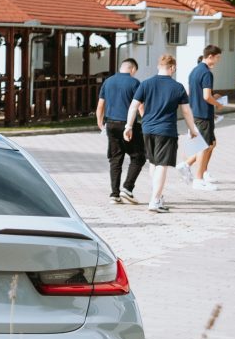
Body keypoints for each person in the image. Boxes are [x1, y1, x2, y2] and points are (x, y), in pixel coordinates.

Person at [124, 55, 201, 214]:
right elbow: (186, 111)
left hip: (147, 130)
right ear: (172, 67)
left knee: (153, 163)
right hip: (166, 131)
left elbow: (133, 107)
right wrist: (192, 130)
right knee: (161, 165)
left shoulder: (145, 84)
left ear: (159, 67)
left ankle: (157, 196)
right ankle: (155, 200)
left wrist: (128, 126)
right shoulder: (178, 87)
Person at [96, 59, 145, 204]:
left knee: (115, 159)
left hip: (110, 124)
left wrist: (100, 123)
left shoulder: (108, 81)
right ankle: (127, 188)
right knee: (138, 157)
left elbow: (100, 105)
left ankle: (114, 194)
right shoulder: (134, 83)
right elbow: (139, 106)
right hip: (128, 125)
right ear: (132, 69)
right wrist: (147, 121)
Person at [185, 45, 225, 190]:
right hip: (203, 114)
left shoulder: (194, 71)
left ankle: (190, 168)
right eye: (217, 58)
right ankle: (198, 179)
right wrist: (218, 105)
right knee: (204, 146)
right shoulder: (207, 73)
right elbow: (206, 96)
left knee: (209, 144)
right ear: (210, 56)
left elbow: (193, 93)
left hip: (196, 112)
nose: (218, 61)